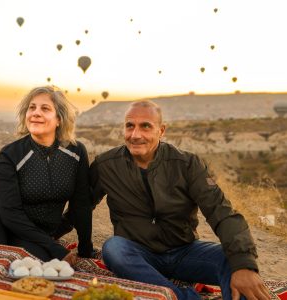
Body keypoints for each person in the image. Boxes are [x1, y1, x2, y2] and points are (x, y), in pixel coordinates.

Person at [90, 100, 270, 300]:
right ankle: (181, 297)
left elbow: (222, 212)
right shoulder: (106, 165)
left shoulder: (187, 164)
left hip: (185, 252)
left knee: (234, 261)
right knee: (113, 248)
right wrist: (50, 241)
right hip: (138, 254)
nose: (135, 135)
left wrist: (244, 264)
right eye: (130, 126)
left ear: (161, 130)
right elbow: (82, 205)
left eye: (146, 126)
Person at [0, 86, 93, 264]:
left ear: (59, 119)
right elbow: (11, 214)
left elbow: (81, 204)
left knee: (36, 266)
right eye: (31, 107)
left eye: (45, 108)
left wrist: (86, 249)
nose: (35, 113)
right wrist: (55, 247)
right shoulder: (10, 154)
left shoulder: (76, 152)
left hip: (33, 231)